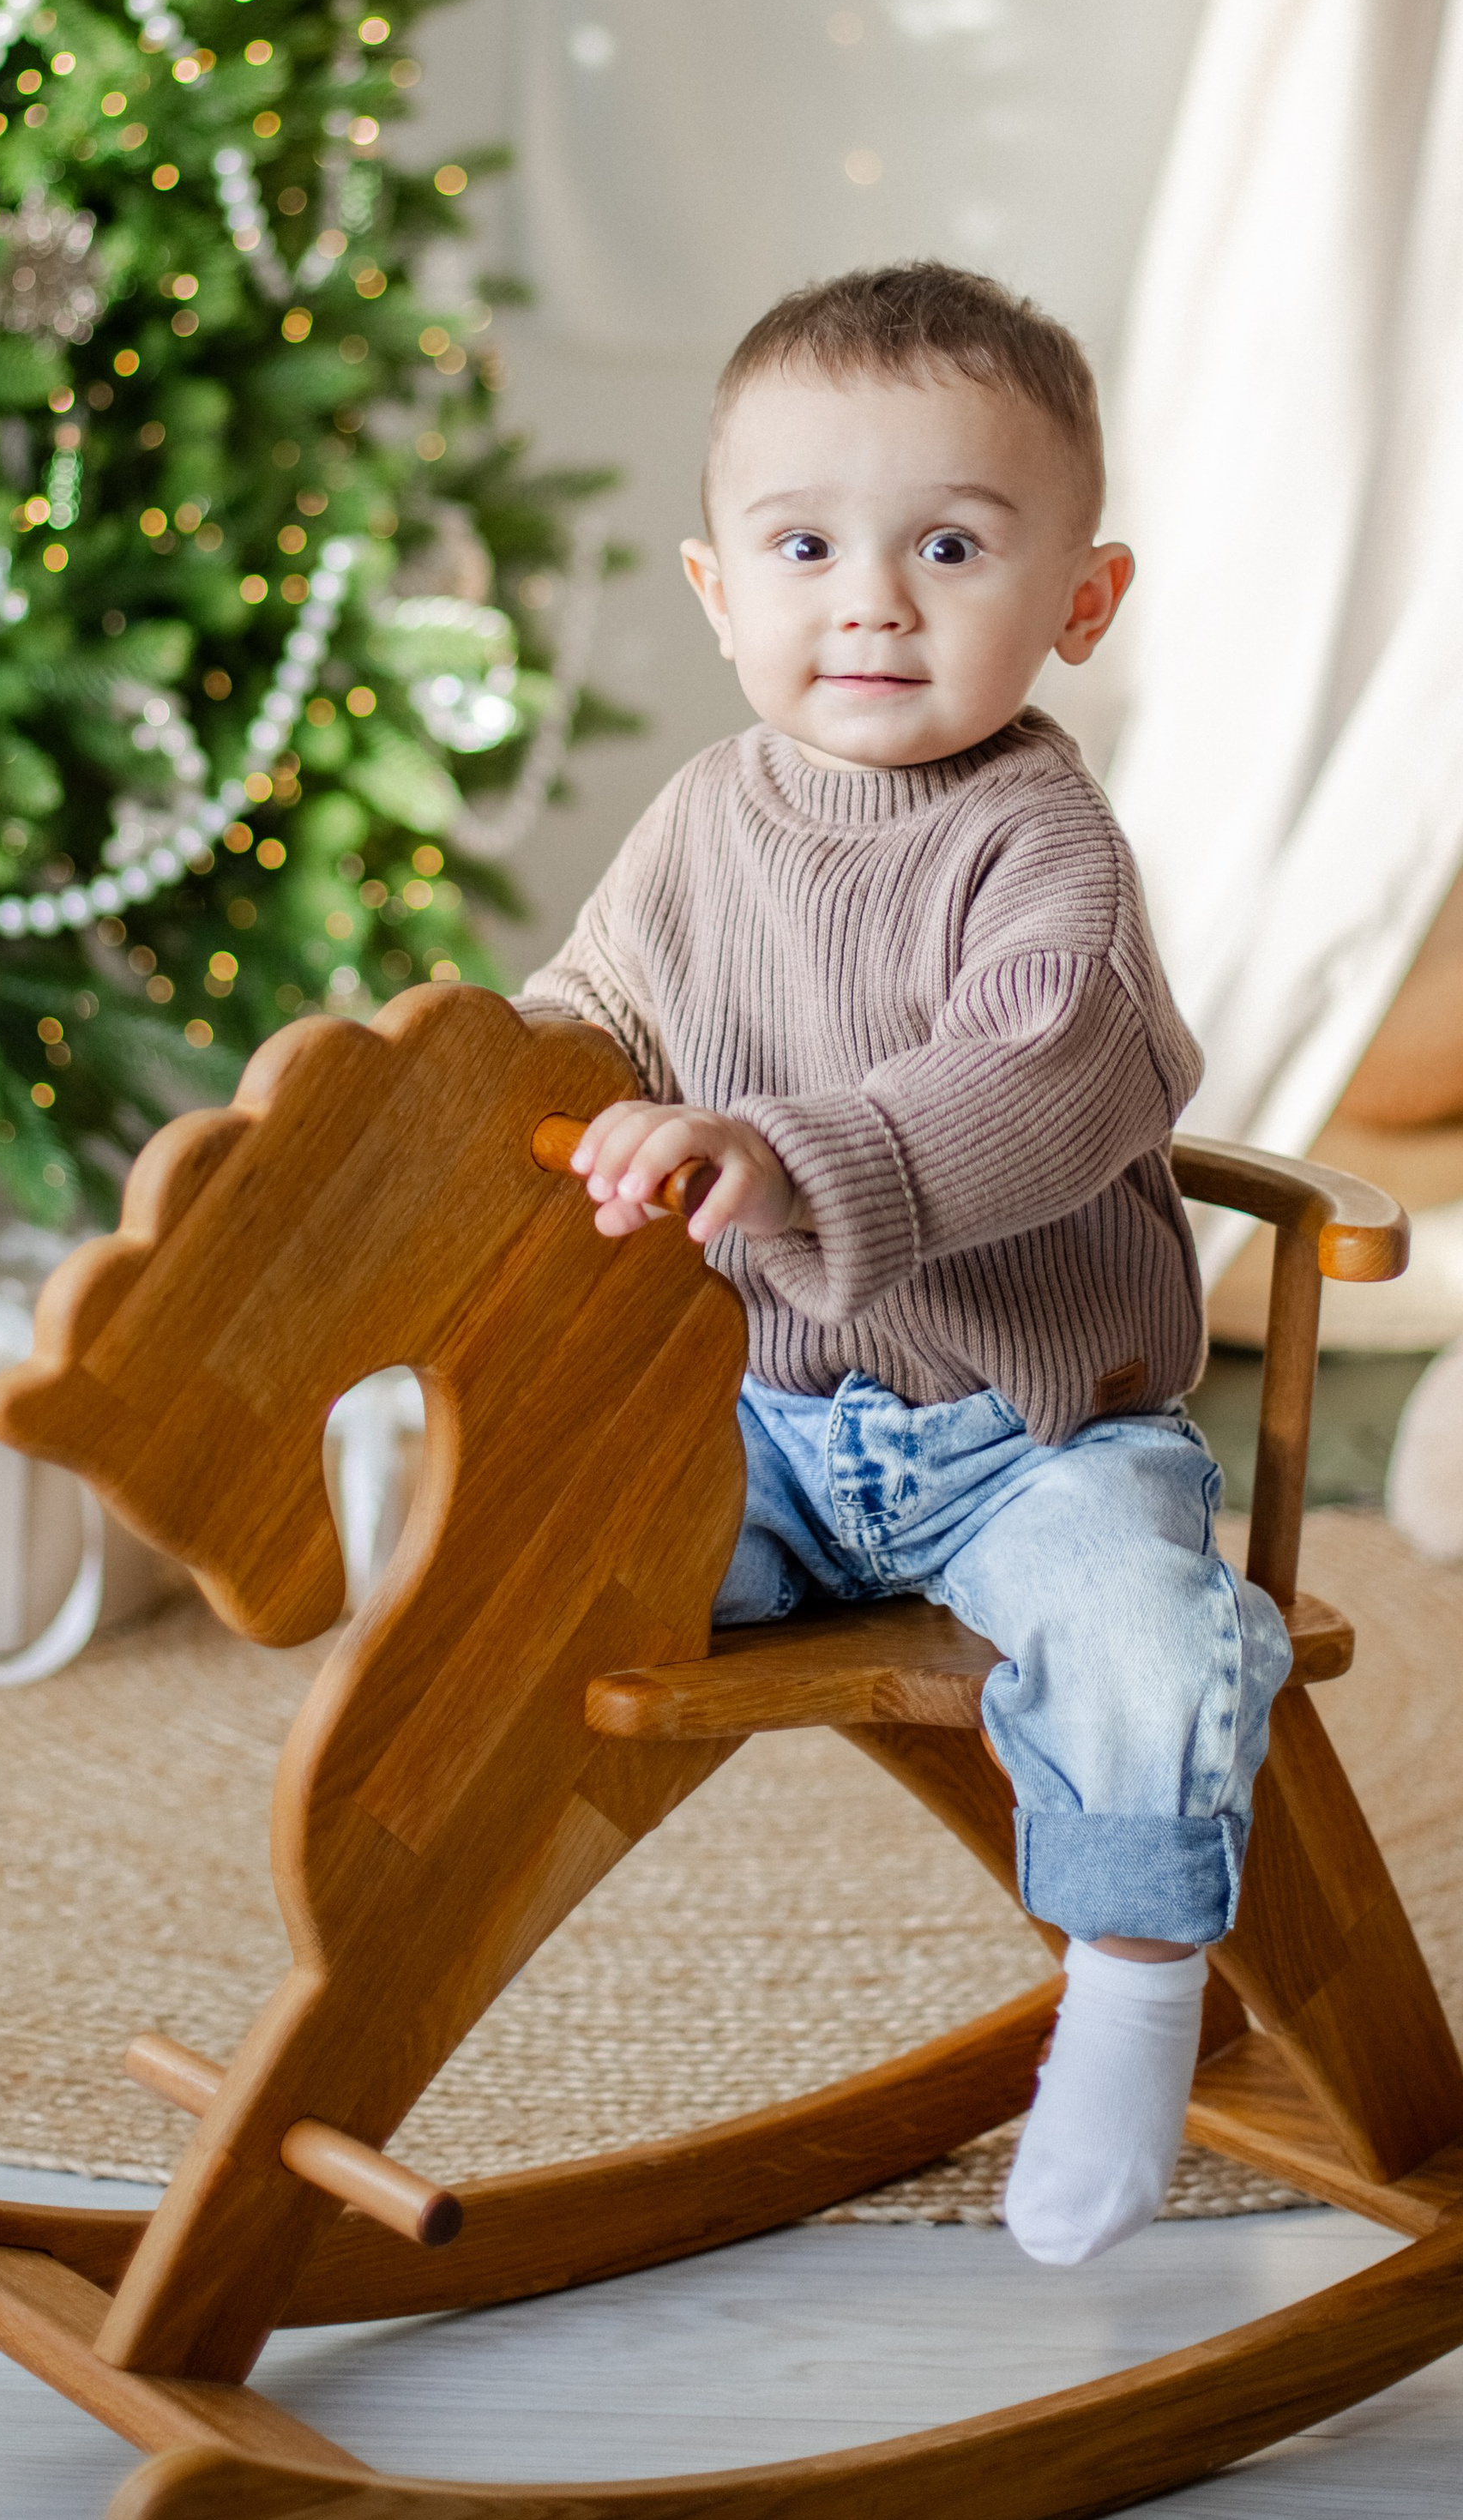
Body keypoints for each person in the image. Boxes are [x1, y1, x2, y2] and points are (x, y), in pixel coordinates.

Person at [521, 259, 1288, 2269]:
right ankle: (426, 1923)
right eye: (804, 546)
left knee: (1131, 1623)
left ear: (1077, 602)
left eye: (946, 544)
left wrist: (777, 1149)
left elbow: (1034, 1072)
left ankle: (1128, 1992)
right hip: (766, 1422)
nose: (868, 598)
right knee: (545, 1557)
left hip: (1029, 1436)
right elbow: (584, 1009)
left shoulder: (1043, 843)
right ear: (715, 587)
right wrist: (533, 1106)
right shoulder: (697, 821)